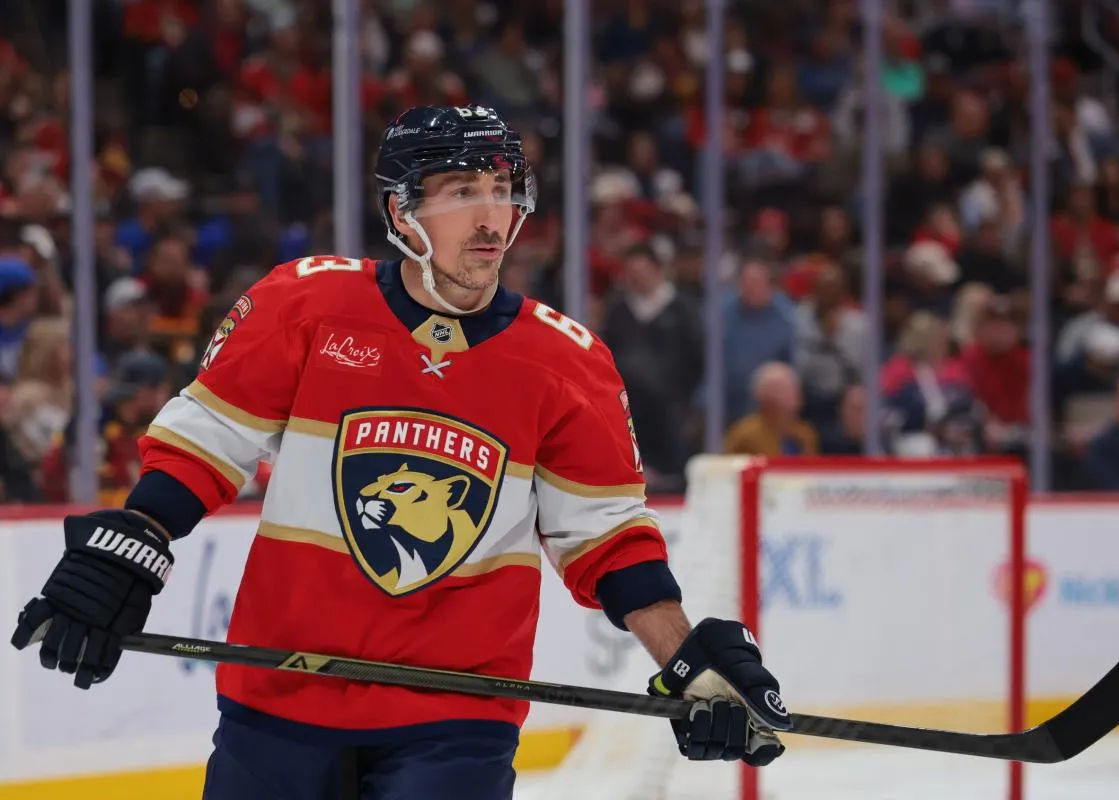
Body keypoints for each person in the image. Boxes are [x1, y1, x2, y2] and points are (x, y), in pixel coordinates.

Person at [9, 106, 792, 799]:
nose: (490, 217)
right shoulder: (305, 305)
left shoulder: (567, 362)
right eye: (462, 192)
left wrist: (684, 654)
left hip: (455, 721)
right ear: (401, 210)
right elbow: (205, 444)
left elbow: (607, 539)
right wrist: (136, 537)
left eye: (502, 190)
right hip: (278, 699)